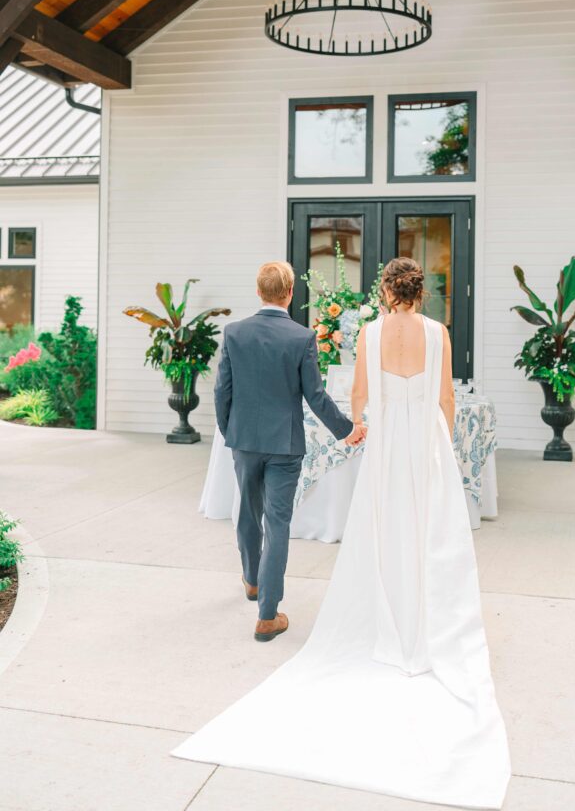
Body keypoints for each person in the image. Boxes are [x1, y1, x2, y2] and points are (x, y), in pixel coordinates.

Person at [174, 258, 511, 808]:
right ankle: (423, 617)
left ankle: (314, 597)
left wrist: (363, 428)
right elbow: (446, 397)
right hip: (423, 442)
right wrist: (439, 441)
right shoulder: (438, 333)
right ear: (420, 292)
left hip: (381, 444)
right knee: (430, 533)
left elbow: (358, 396)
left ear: (384, 290)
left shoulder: (372, 333)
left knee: (377, 523)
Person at [213, 260, 363, 642]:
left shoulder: (234, 333)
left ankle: (251, 579)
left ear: (259, 292)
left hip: (244, 440)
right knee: (277, 523)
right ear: (291, 293)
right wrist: (346, 431)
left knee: (247, 510)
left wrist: (229, 429)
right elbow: (315, 395)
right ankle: (267, 615)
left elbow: (221, 391)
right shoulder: (302, 337)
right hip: (285, 445)